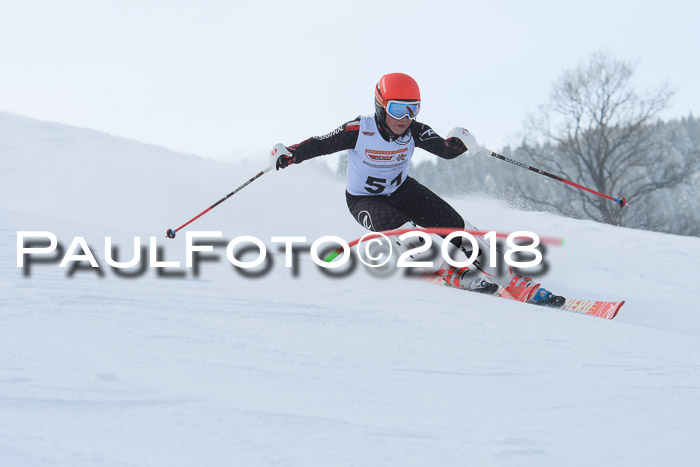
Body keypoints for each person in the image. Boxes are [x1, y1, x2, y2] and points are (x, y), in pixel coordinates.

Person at [271, 73, 564, 307]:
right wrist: (290, 154)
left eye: (413, 109)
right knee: (407, 232)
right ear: (380, 106)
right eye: (397, 108)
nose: (405, 117)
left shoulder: (415, 130)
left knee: (460, 230)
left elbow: (446, 150)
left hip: (402, 189)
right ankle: (450, 271)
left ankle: (514, 281)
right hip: (364, 199)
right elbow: (320, 144)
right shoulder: (359, 129)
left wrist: (459, 140)